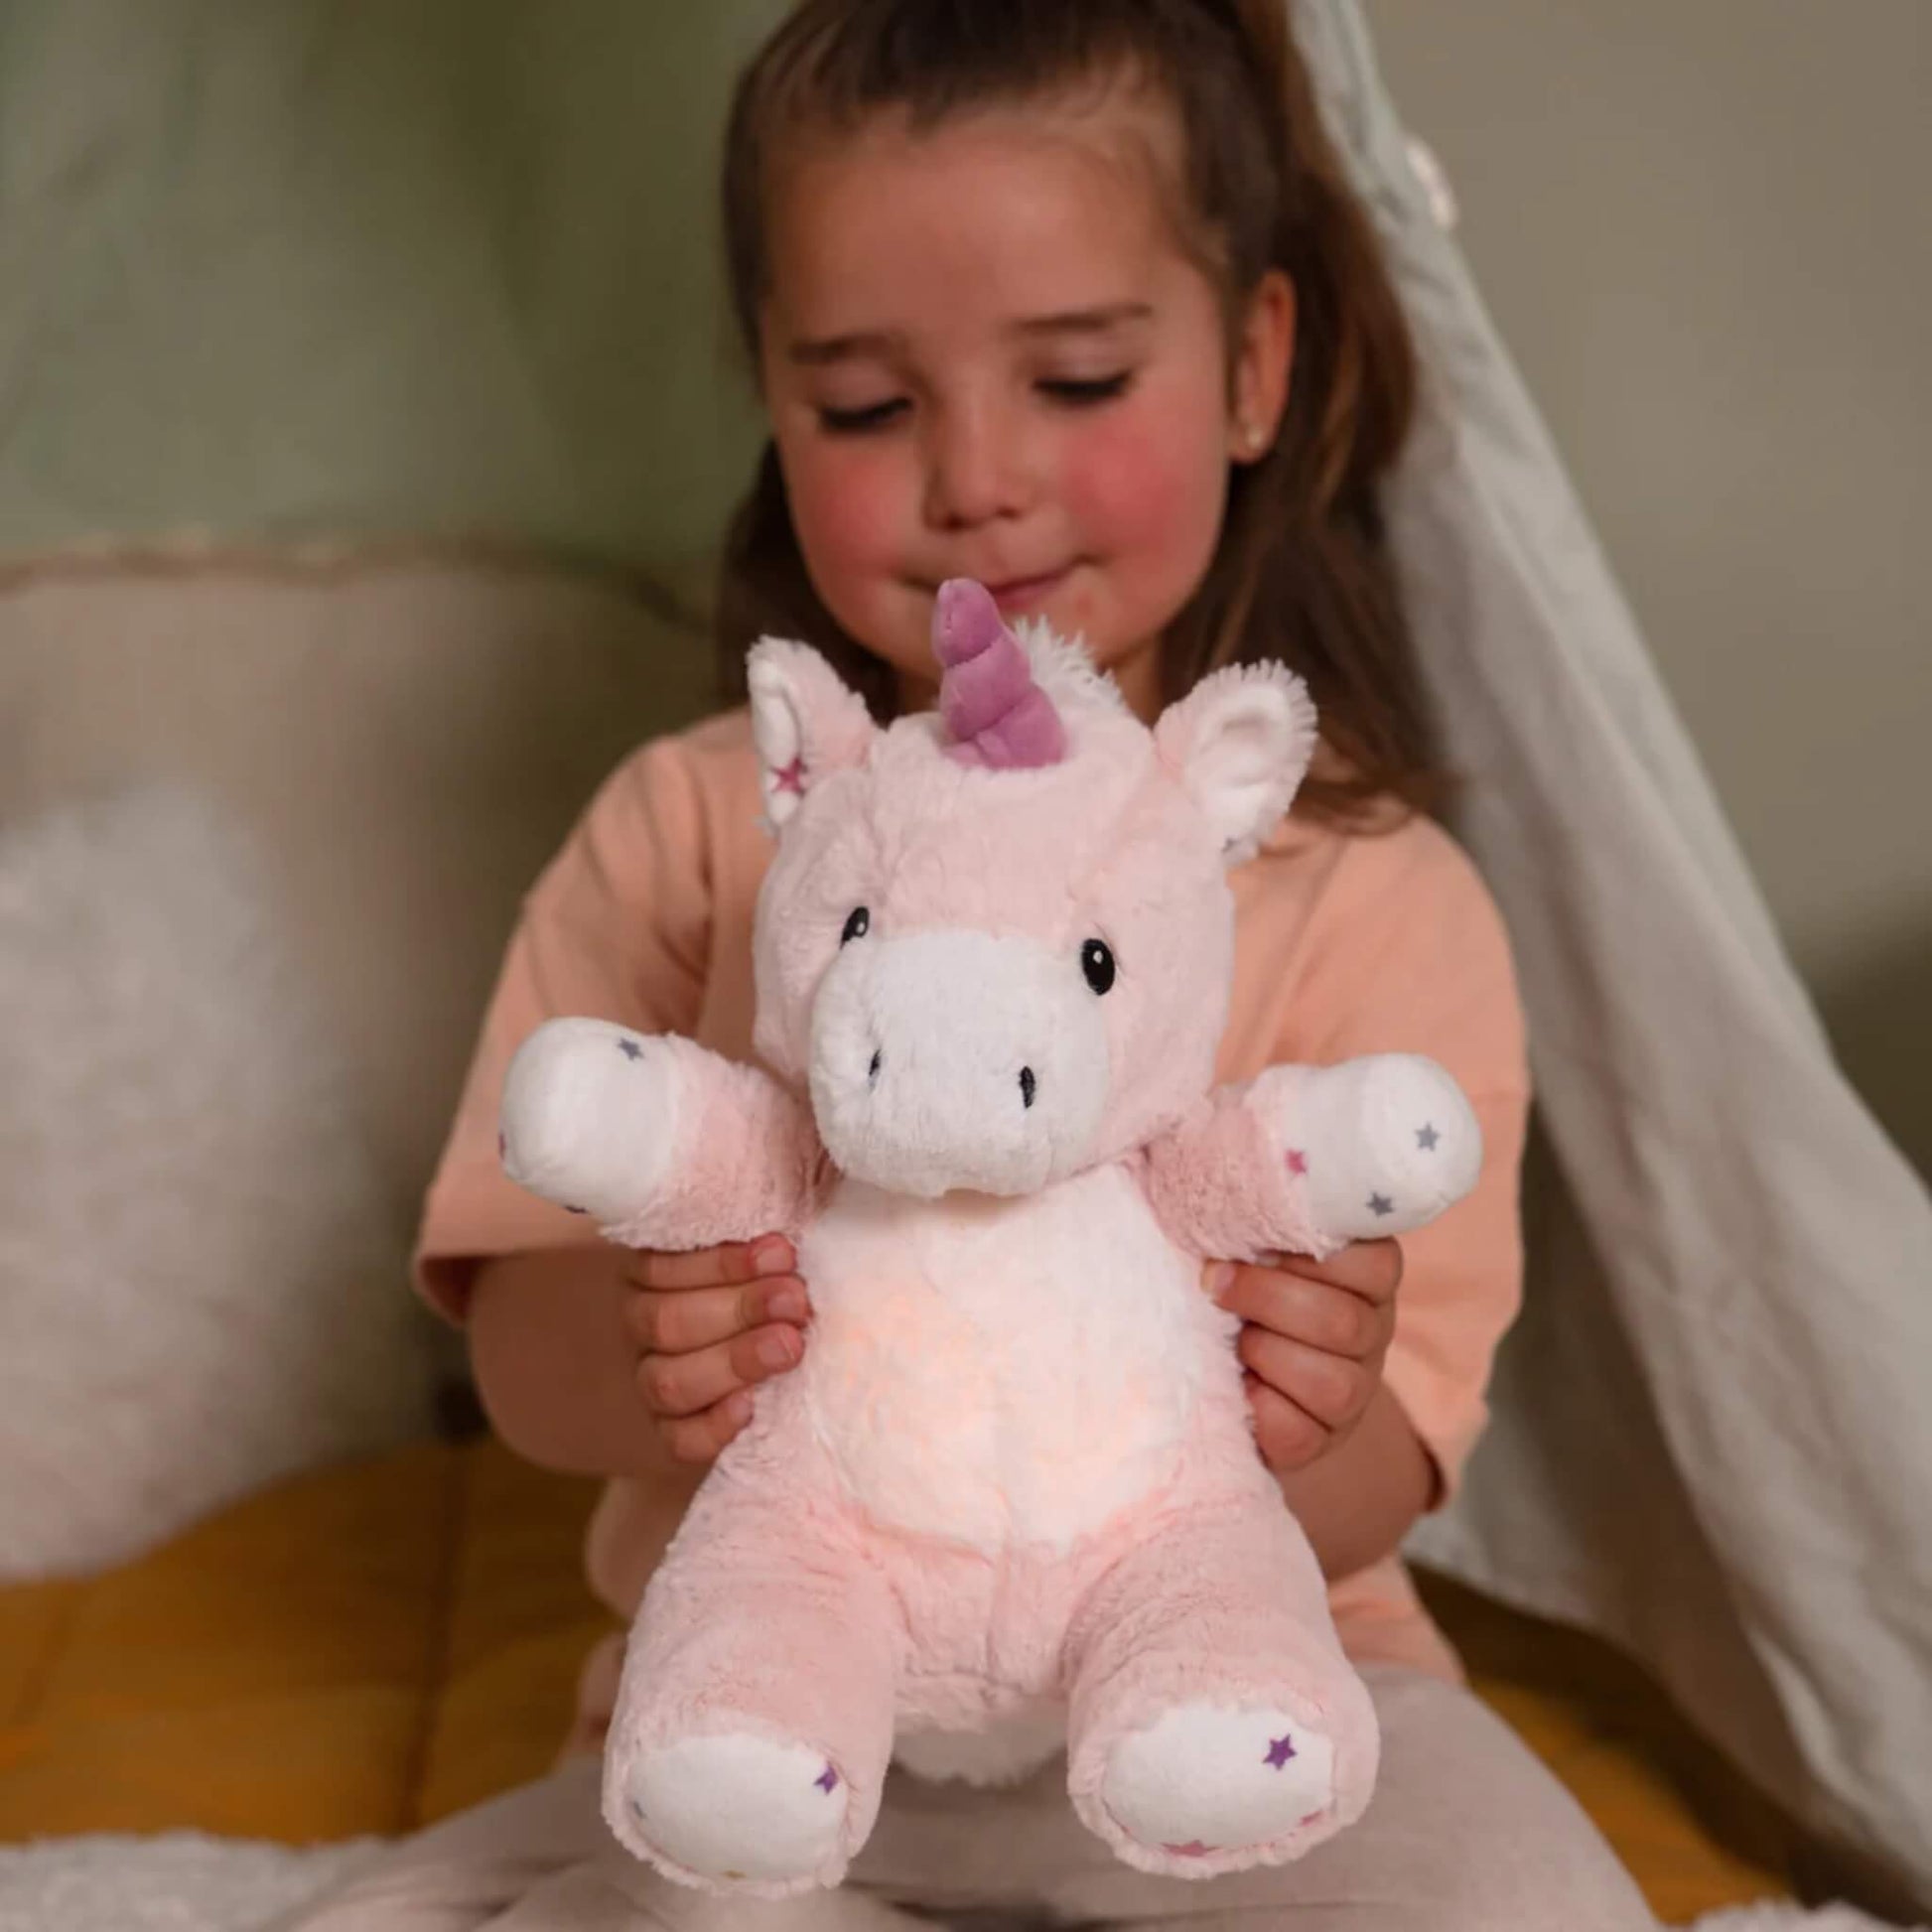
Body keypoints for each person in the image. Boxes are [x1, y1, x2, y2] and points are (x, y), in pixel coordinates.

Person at [282, 2, 1657, 1925]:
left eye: (1077, 378)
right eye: (867, 406)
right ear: (773, 399)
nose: (978, 479)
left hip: (1235, 1699)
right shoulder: (695, 827)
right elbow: (517, 1344)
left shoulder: (1377, 890)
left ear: (1252, 364)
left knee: (1512, 1897)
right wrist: (657, 1335)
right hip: (785, 1711)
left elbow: (1392, 1463)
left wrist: (1308, 1397)